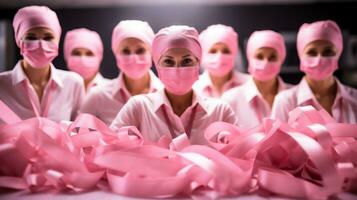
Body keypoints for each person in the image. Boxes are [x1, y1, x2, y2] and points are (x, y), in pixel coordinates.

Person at [110, 25, 238, 145]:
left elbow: (243, 156)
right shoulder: (139, 107)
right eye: (168, 61)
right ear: (157, 66)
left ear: (198, 64)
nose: (177, 69)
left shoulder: (220, 111)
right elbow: (108, 147)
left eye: (187, 61)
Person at [0, 6, 84, 123]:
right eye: (31, 37)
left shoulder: (73, 83)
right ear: (19, 41)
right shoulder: (2, 85)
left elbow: (78, 131)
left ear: (57, 40)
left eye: (48, 37)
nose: (40, 44)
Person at [272, 20, 357, 123]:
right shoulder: (285, 102)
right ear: (300, 55)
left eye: (328, 52)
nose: (319, 59)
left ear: (338, 54)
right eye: (311, 52)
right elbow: (277, 139)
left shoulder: (354, 98)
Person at [79, 20, 163, 125]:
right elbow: (78, 135)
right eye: (125, 51)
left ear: (152, 52)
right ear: (115, 53)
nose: (133, 58)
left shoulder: (165, 94)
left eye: (140, 50)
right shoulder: (98, 95)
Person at [222, 30, 291, 130]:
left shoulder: (295, 96)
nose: (265, 62)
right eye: (259, 56)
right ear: (249, 58)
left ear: (281, 59)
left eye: (272, 57)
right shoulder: (231, 99)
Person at [193, 24, 250, 98]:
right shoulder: (193, 88)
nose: (220, 56)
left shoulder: (250, 85)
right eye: (213, 51)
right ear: (202, 53)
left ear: (235, 53)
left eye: (226, 51)